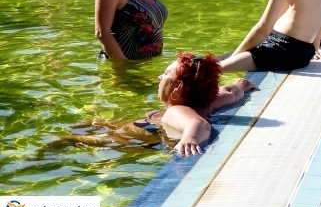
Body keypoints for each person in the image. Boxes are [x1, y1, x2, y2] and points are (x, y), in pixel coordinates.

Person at [54, 54, 257, 156]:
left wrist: (189, 139)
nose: (160, 77)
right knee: (91, 122)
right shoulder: (209, 101)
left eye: (165, 75)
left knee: (67, 139)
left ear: (177, 89)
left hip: (137, 139)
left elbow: (198, 124)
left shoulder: (177, 110)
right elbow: (231, 92)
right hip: (146, 128)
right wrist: (240, 85)